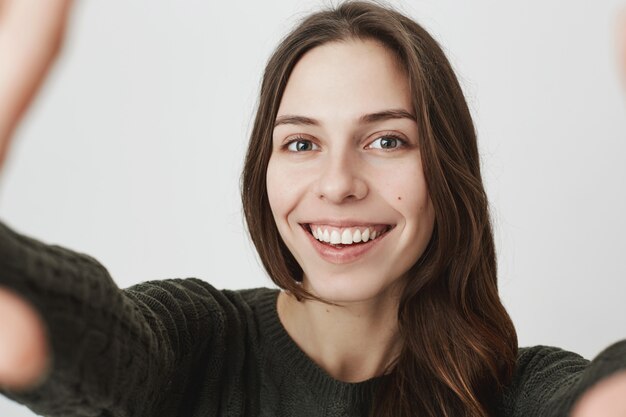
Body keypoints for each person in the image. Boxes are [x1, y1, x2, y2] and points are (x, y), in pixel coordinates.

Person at [0, 1, 624, 416]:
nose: (337, 183)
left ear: (446, 170)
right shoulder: (201, 342)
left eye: (386, 140)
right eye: (301, 142)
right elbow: (108, 339)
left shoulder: (516, 393)